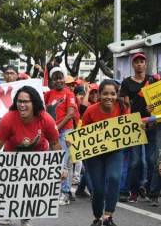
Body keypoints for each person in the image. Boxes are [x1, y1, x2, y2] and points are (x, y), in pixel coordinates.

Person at [0, 85, 62, 226]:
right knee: (11, 187)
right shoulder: (8, 119)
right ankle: (6, 212)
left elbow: (55, 145)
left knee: (28, 188)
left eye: (26, 102)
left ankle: (26, 216)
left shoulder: (46, 119)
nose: (22, 105)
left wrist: (60, 168)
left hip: (37, 159)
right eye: (19, 101)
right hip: (12, 157)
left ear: (35, 103)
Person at [82, 79, 130, 226]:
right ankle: (97, 217)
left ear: (117, 95)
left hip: (115, 151)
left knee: (115, 178)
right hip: (95, 155)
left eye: (113, 94)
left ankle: (108, 216)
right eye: (105, 94)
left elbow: (128, 128)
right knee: (98, 188)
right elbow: (82, 134)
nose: (109, 97)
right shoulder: (90, 111)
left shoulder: (123, 108)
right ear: (99, 95)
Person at [120, 52, 159, 203]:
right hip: (135, 126)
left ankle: (150, 190)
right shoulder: (126, 83)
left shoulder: (153, 80)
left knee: (152, 160)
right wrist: (133, 122)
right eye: (136, 61)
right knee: (135, 162)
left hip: (152, 124)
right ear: (132, 64)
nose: (139, 64)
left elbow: (158, 100)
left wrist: (153, 111)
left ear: (146, 63)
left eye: (142, 61)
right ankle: (134, 190)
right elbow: (126, 105)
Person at [44, 67, 77, 205]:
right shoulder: (48, 94)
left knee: (64, 164)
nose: (59, 80)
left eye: (61, 77)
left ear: (64, 79)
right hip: (52, 133)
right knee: (53, 163)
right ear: (52, 80)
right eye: (56, 78)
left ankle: (64, 193)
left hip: (65, 132)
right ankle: (55, 192)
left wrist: (56, 127)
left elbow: (70, 114)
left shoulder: (69, 94)